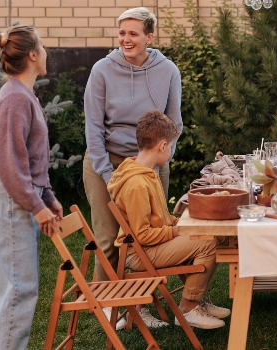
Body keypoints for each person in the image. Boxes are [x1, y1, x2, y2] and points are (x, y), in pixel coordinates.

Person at [83, 7, 182, 286]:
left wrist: (161, 158)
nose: (126, 39)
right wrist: (108, 175)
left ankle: (142, 303)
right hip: (107, 160)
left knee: (152, 233)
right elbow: (93, 127)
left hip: (150, 162)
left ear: (149, 38)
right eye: (122, 33)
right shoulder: (102, 70)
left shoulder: (168, 71)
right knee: (109, 240)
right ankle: (106, 302)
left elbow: (175, 123)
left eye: (133, 34)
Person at [107, 110, 230, 329]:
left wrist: (178, 222)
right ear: (162, 146)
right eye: (171, 146)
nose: (171, 151)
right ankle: (188, 308)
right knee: (207, 242)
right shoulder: (136, 184)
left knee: (217, 234)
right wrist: (176, 231)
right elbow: (141, 234)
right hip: (138, 254)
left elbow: (159, 218)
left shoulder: (148, 172)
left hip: (152, 245)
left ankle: (197, 301)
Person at [0, 25, 63, 349]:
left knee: (17, 289)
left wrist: (47, 196)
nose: (46, 52)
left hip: (15, 197)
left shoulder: (22, 94)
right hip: (9, 198)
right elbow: (10, 165)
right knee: (18, 290)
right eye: (42, 47)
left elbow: (28, 159)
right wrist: (38, 207)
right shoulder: (15, 97)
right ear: (32, 54)